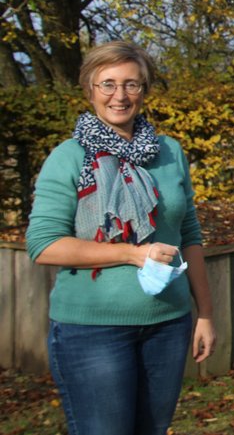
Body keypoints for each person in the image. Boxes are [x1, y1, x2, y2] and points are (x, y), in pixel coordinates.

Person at [25, 41, 216, 435]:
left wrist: (206, 314)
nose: (120, 95)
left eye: (132, 84)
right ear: (89, 89)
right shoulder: (70, 157)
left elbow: (189, 234)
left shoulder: (170, 152)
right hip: (92, 331)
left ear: (144, 91)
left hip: (168, 326)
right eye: (108, 84)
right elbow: (43, 245)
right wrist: (132, 254)